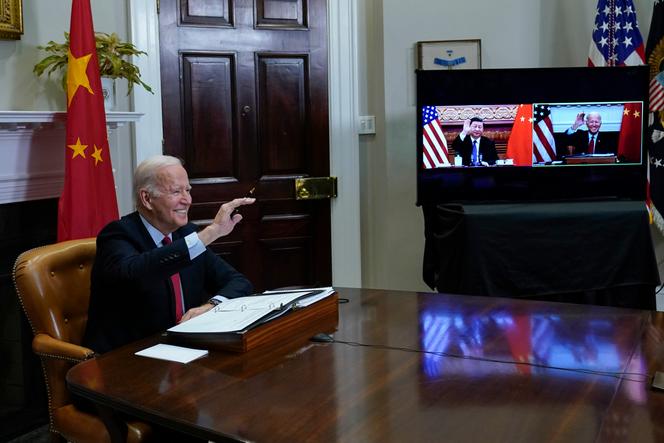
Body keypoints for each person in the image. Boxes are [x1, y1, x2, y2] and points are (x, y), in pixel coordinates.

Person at [83, 155, 255, 354]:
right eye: (176, 192)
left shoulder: (186, 234)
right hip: (128, 356)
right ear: (147, 198)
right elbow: (136, 274)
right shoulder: (118, 234)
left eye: (188, 190)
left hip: (184, 349)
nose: (187, 200)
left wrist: (211, 305)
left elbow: (239, 283)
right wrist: (212, 232)